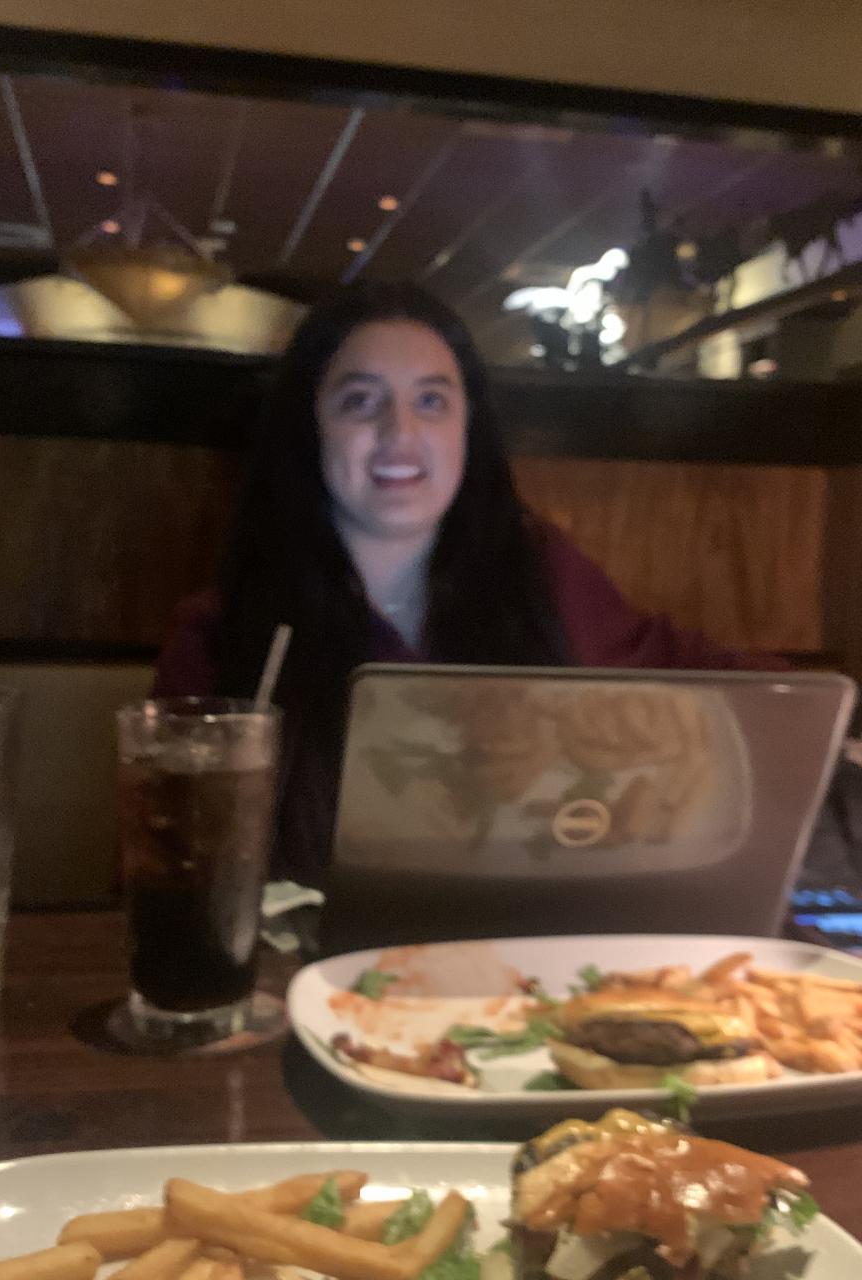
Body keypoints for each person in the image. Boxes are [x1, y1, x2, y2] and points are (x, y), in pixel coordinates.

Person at [155, 281, 780, 887]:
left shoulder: (540, 576)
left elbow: (692, 673)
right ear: (310, 426)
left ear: (467, 429)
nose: (401, 433)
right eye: (360, 401)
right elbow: (167, 869)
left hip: (528, 949)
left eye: (431, 401)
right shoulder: (218, 636)